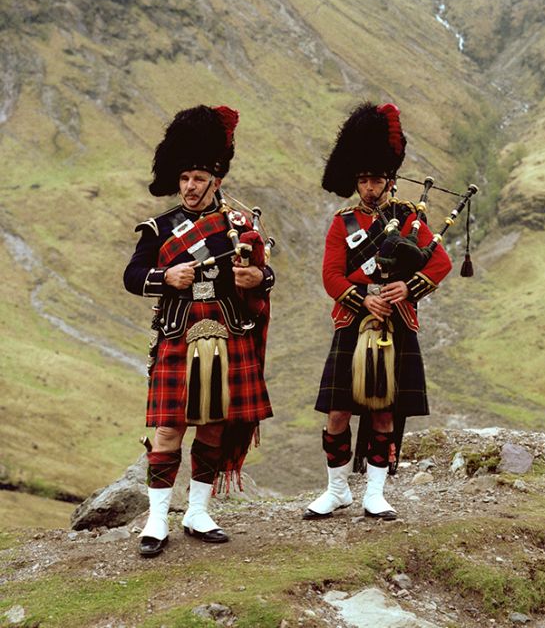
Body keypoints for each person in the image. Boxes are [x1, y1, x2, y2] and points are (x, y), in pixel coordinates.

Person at [124, 104, 274, 557]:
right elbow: (132, 276)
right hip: (178, 332)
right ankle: (155, 520)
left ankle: (198, 512)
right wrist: (165, 278)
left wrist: (259, 279)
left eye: (198, 179)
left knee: (213, 427)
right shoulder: (159, 229)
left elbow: (264, 275)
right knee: (169, 430)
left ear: (217, 181)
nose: (189, 187)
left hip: (227, 331)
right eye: (184, 178)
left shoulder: (240, 226)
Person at [304, 102, 452, 521]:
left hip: (395, 323)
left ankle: (375, 493)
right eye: (364, 180)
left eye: (377, 180)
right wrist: (361, 297)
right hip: (353, 322)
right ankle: (336, 491)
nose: (370, 187)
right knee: (337, 413)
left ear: (390, 180)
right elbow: (331, 275)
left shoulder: (410, 221)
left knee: (385, 411)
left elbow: (439, 262)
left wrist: (408, 287)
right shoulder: (343, 222)